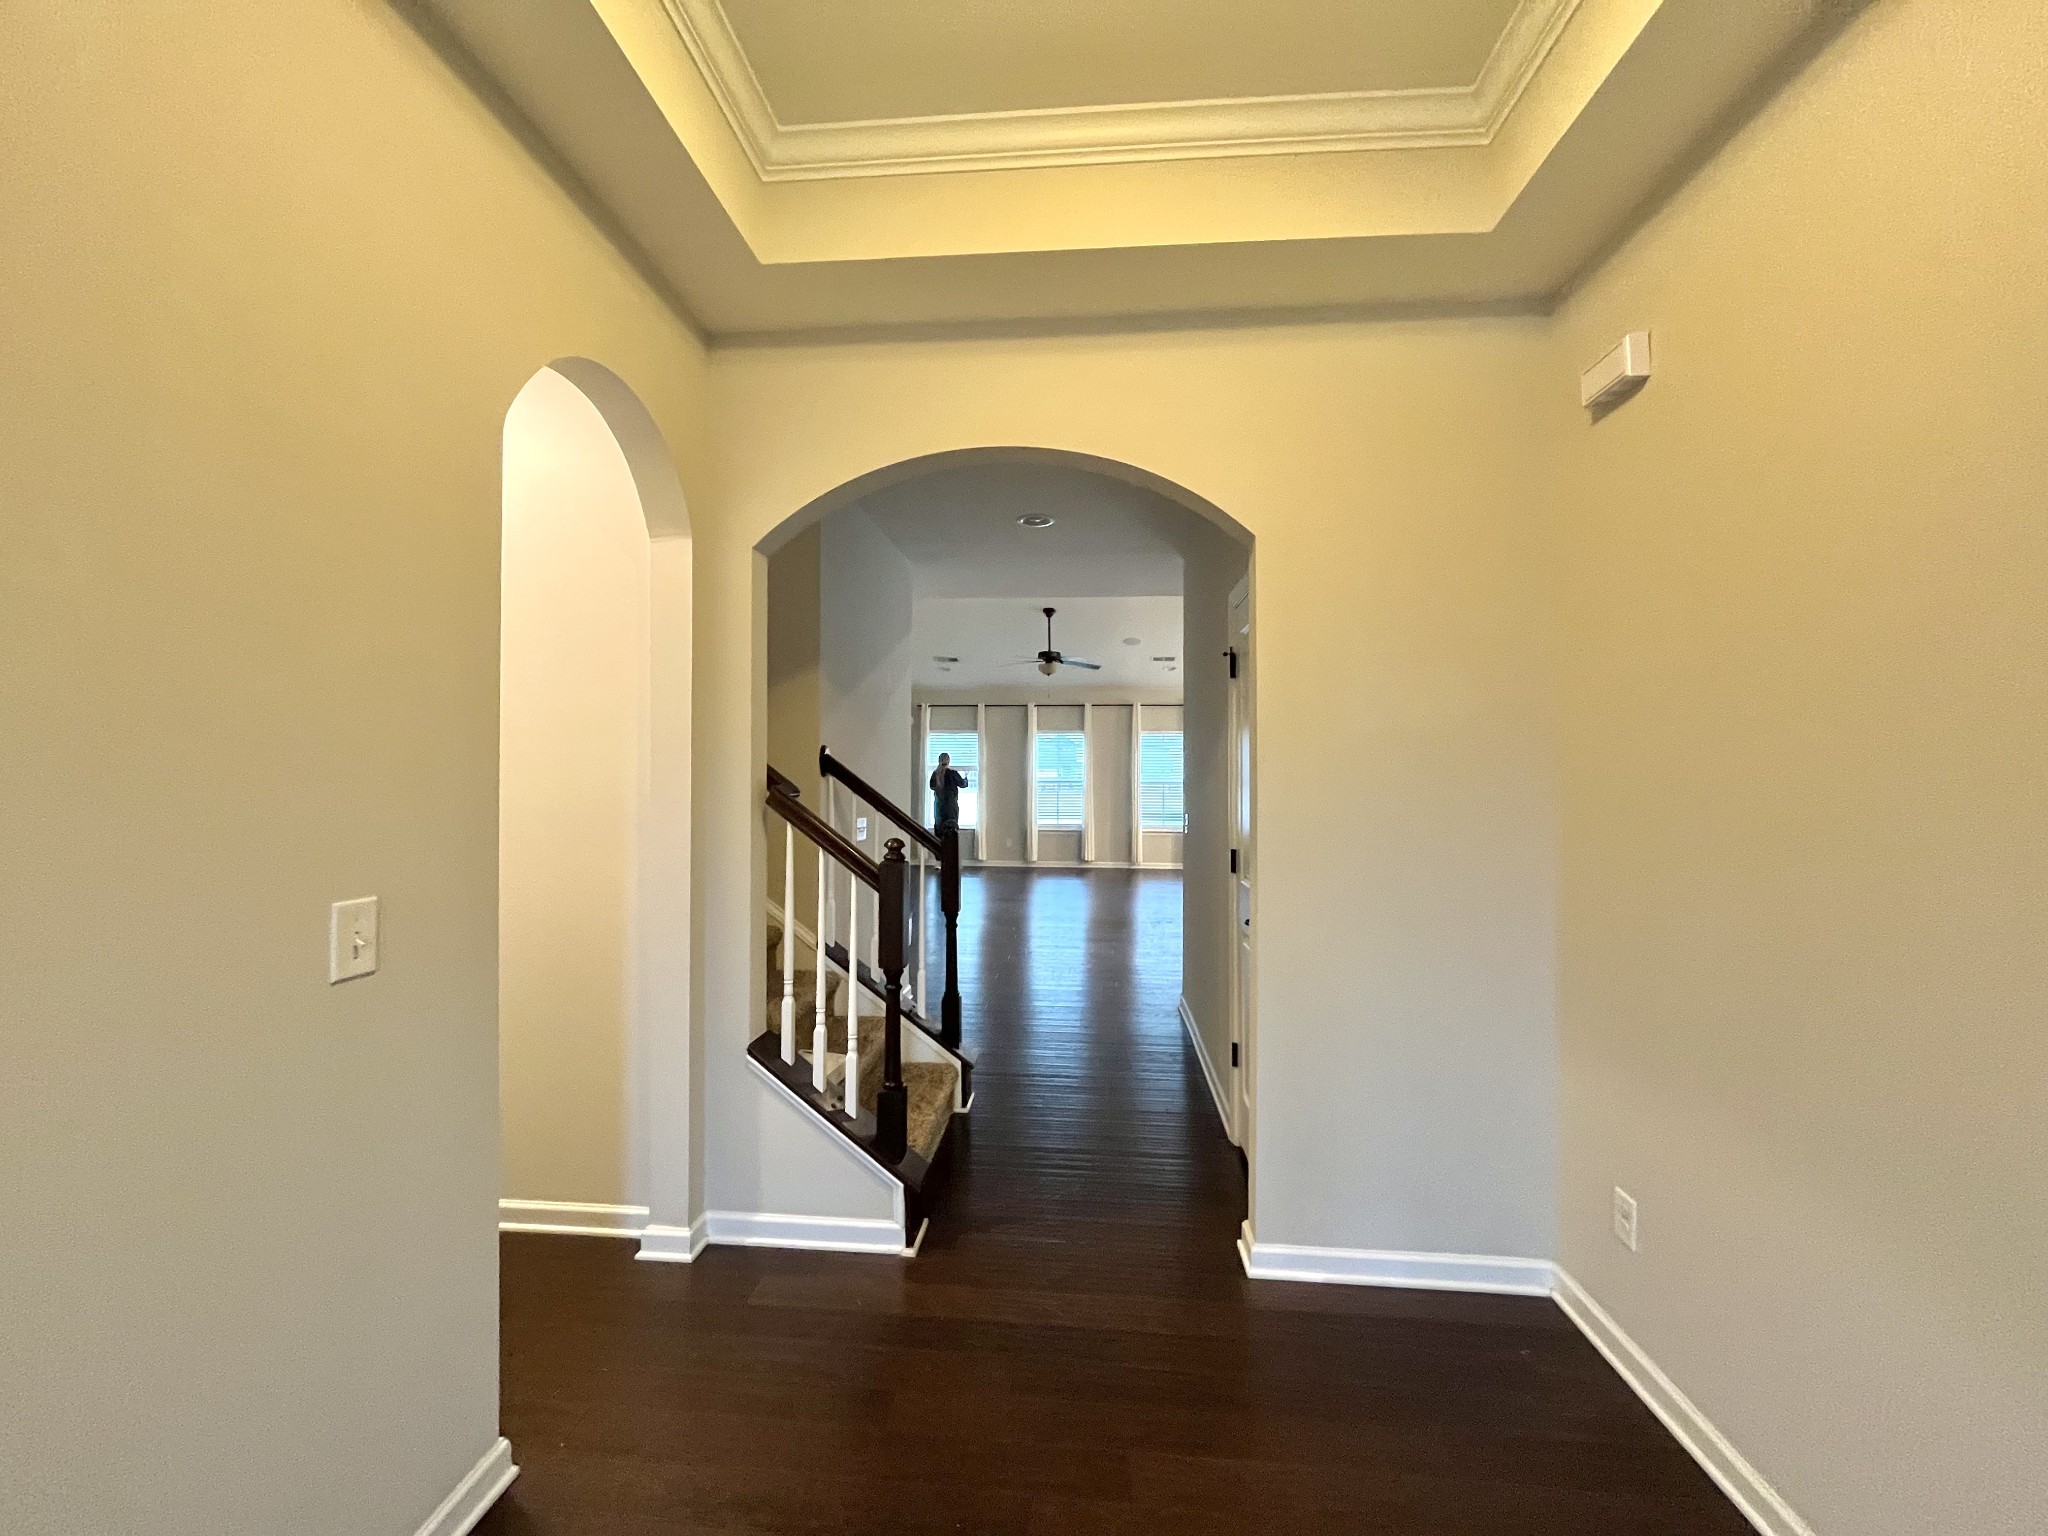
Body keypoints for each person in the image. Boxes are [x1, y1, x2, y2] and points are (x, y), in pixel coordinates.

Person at [929, 752, 968, 834]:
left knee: (940, 832)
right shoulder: (952, 774)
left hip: (939, 807)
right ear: (949, 761)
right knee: (951, 832)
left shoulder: (935, 774)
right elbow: (963, 784)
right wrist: (966, 777)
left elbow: (932, 787)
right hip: (951, 807)